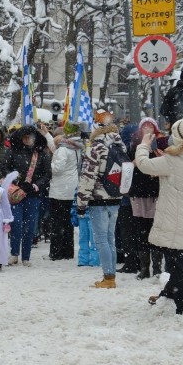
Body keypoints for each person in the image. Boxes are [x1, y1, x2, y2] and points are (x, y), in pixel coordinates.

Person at [134, 118, 183, 314]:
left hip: (176, 218)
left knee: (177, 266)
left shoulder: (172, 161)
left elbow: (143, 164)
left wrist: (144, 145)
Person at [77, 110, 125, 288]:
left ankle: (108, 277)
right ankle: (111, 275)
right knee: (110, 238)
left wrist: (81, 203)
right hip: (116, 197)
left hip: (99, 199)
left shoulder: (95, 147)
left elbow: (87, 177)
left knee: (101, 239)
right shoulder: (120, 146)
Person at [0, 125, 51, 266]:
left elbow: (47, 174)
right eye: (25, 137)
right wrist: (16, 179)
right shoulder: (12, 151)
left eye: (30, 137)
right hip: (16, 193)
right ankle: (14, 253)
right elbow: (4, 168)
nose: (28, 139)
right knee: (15, 224)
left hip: (33, 195)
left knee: (30, 226)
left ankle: (26, 257)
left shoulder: (41, 153)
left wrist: (37, 185)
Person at [127, 118, 161, 280]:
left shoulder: (160, 144)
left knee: (156, 230)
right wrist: (136, 161)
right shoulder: (134, 145)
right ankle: (144, 268)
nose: (148, 129)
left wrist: (156, 152)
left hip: (155, 192)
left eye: (151, 127)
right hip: (138, 191)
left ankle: (157, 268)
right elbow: (127, 167)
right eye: (145, 127)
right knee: (141, 229)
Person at [47, 129, 82, 261]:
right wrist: (46, 134)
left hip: (59, 189)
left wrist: (49, 164)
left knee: (57, 221)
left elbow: (57, 168)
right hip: (71, 187)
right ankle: (68, 251)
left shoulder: (62, 150)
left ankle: (56, 252)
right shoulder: (75, 148)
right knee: (68, 222)